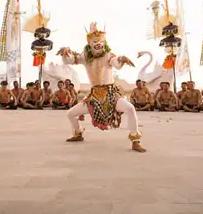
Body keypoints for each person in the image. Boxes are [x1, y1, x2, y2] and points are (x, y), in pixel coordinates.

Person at [57, 22, 145, 152]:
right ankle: (78, 132)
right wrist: (65, 52)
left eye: (100, 42)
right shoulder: (85, 56)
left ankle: (135, 140)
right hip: (94, 96)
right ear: (89, 44)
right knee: (70, 114)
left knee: (130, 108)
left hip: (111, 94)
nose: (97, 44)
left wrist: (122, 59)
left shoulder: (108, 55)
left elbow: (116, 63)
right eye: (94, 42)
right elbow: (70, 60)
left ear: (104, 43)